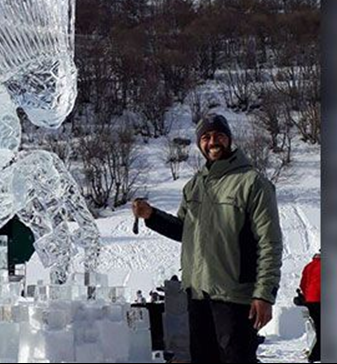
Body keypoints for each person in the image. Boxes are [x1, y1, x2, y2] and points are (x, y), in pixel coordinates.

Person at [132, 114, 283, 363]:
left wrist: (264, 295)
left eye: (219, 135)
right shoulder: (194, 186)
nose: (213, 141)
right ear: (200, 144)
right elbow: (184, 231)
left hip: (236, 297)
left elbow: (270, 243)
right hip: (198, 297)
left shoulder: (252, 182)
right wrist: (152, 216)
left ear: (229, 139)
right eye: (206, 137)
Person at [300, 251, 321, 362]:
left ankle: (316, 354)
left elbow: (303, 284)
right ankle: (316, 355)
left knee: (319, 328)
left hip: (311, 302)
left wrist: (307, 296)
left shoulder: (308, 266)